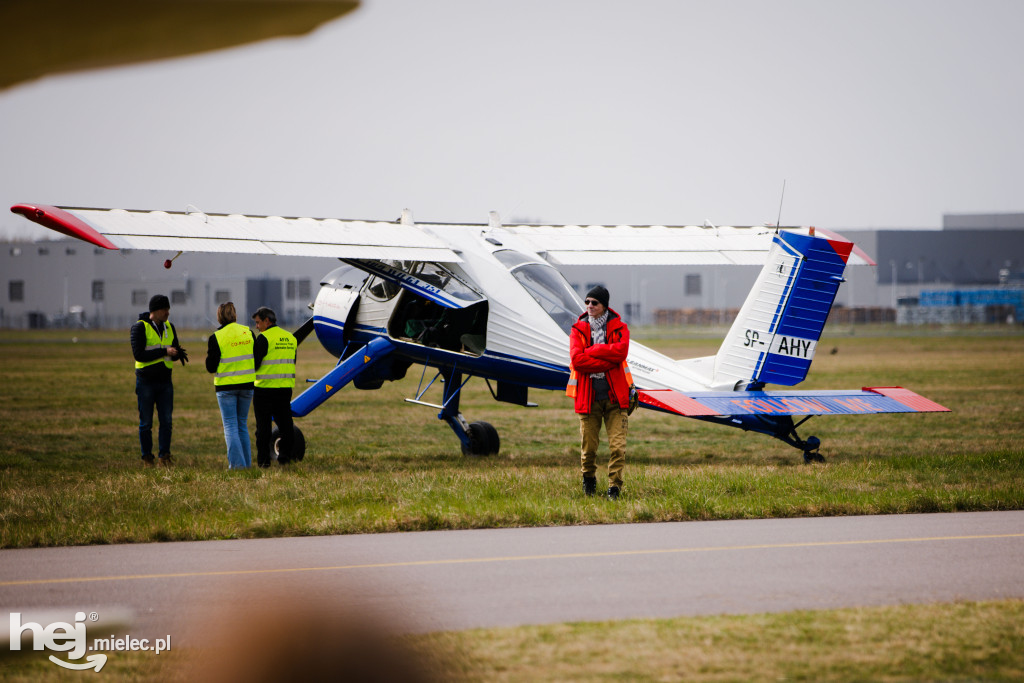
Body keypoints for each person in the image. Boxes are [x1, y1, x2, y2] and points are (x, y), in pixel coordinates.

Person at [567, 285, 633, 500]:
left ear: (604, 305)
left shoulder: (620, 328)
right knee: (589, 449)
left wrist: (593, 350)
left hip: (615, 399)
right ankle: (589, 479)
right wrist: (607, 361)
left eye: (594, 303)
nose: (589, 306)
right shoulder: (577, 329)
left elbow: (621, 351)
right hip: (589, 398)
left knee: (618, 448)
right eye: (587, 302)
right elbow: (577, 360)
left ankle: (614, 487)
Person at [131, 294, 187, 466]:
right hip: (146, 381)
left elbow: (173, 349)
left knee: (167, 421)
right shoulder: (139, 328)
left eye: (168, 309)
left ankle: (164, 456)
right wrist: (164, 351)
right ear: (154, 311)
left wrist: (177, 354)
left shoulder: (170, 327)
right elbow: (139, 354)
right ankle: (147, 457)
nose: (168, 313)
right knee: (146, 422)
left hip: (165, 382)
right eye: (165, 309)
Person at [206, 302, 256, 469]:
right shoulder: (248, 332)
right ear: (234, 314)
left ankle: (237, 466)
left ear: (219, 316)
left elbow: (210, 367)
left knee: (230, 425)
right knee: (242, 424)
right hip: (248, 385)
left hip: (226, 386)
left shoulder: (216, 337)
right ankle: (246, 464)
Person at [251, 306, 297, 467]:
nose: (256, 327)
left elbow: (255, 364)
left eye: (258, 323)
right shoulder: (291, 337)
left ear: (267, 321)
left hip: (264, 389)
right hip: (284, 389)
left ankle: (264, 462)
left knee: (263, 429)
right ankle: (284, 459)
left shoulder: (264, 338)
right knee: (286, 427)